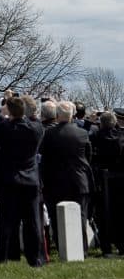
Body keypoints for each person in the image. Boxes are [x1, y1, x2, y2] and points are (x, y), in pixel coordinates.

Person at [0, 93, 46, 266]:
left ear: (10, 111)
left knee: (5, 222)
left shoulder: (5, 127)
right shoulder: (36, 128)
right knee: (32, 222)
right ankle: (35, 258)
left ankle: (1, 257)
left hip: (8, 180)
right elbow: (34, 120)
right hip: (30, 180)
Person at [39, 100, 93, 249]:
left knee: (56, 217)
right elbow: (88, 156)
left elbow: (43, 155)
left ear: (57, 116)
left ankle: (62, 245)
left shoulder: (49, 134)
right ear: (72, 116)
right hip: (78, 179)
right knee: (81, 215)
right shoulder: (82, 133)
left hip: (54, 181)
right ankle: (82, 248)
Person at [90, 111, 124, 257]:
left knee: (102, 214)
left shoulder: (95, 136)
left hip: (101, 180)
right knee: (120, 213)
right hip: (120, 180)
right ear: (115, 122)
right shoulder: (121, 136)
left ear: (101, 123)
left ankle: (106, 248)